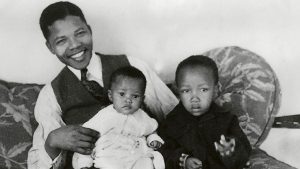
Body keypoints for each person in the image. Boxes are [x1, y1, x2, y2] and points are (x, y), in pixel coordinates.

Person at [27, 1, 178, 169]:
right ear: (50, 47)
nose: (75, 45)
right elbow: (38, 165)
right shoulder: (50, 96)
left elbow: (175, 115)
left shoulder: (133, 67)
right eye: (61, 41)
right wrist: (52, 142)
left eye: (80, 33)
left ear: (90, 31)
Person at [158, 55, 251, 169]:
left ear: (215, 90)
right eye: (186, 90)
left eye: (203, 90)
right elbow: (163, 152)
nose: (194, 98)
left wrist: (230, 151)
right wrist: (184, 160)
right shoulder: (171, 122)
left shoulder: (226, 119)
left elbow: (246, 152)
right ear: (178, 91)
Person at [72, 66, 165, 169]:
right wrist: (84, 164)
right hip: (110, 157)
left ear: (142, 99)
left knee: (147, 163)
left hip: (136, 156)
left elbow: (151, 130)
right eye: (122, 94)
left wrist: (153, 139)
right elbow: (86, 139)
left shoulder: (142, 116)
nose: (128, 100)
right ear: (111, 96)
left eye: (135, 96)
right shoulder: (104, 116)